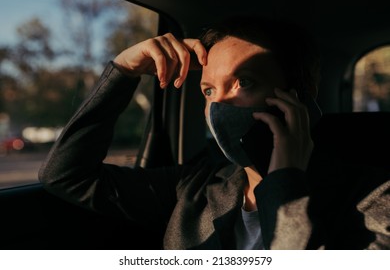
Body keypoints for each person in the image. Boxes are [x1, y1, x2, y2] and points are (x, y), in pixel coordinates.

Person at [38, 15, 390, 249]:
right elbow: (66, 176)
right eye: (208, 91)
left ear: (299, 96)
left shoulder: (374, 199)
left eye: (243, 82)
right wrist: (123, 72)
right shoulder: (196, 187)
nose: (218, 106)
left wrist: (285, 182)